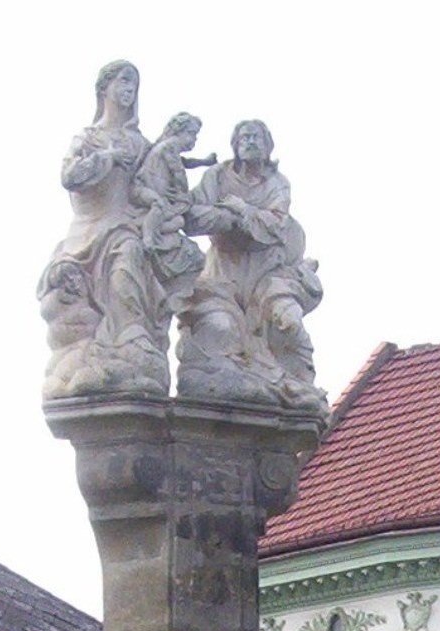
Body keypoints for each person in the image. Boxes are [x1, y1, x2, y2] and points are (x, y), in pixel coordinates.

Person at [38, 61, 170, 400]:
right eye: (124, 80)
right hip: (89, 229)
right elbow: (69, 177)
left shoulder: (141, 144)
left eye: (135, 84)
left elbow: (152, 183)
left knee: (129, 254)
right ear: (104, 88)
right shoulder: (88, 139)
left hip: (125, 227)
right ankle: (107, 348)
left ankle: (130, 338)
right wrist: (107, 158)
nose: (129, 89)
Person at [178, 120, 327, 413]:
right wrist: (228, 219)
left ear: (268, 145)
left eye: (256, 137)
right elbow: (191, 216)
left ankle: (301, 388)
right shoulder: (217, 176)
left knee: (289, 322)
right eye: (244, 137)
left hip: (267, 274)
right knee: (219, 331)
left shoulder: (277, 183)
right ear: (235, 144)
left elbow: (276, 226)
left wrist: (243, 211)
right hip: (223, 275)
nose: (250, 142)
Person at [131, 112, 214, 309]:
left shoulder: (171, 148)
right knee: (158, 206)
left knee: (178, 222)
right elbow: (178, 172)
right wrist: (182, 197)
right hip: (144, 190)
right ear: (179, 131)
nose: (194, 140)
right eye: (192, 134)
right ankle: (149, 237)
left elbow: (185, 163)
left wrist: (205, 162)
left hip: (156, 192)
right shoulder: (169, 147)